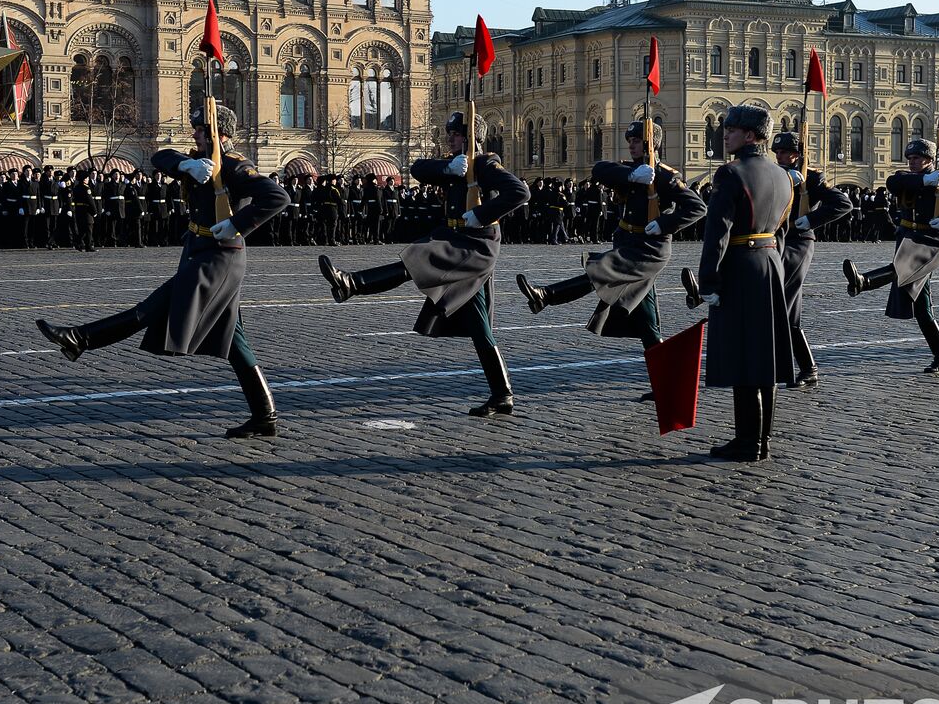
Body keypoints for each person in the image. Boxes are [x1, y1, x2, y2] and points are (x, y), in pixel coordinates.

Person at [35, 103, 290, 437]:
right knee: (235, 341)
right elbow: (160, 157)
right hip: (200, 251)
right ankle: (265, 417)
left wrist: (236, 224)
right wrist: (187, 164)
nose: (194, 134)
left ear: (218, 133)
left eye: (200, 130)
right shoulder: (201, 163)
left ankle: (81, 337)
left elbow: (277, 197)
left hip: (220, 257)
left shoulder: (235, 166)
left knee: (153, 308)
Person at [317, 111, 530, 416]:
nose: (451, 138)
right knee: (480, 326)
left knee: (417, 259)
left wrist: (481, 214)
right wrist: (450, 167)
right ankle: (503, 395)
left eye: (457, 134)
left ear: (472, 137)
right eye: (450, 134)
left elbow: (520, 192)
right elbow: (419, 169)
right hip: (456, 238)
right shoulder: (457, 163)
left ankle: (353, 283)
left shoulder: (485, 163)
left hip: (475, 244)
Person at [516, 120, 705, 397]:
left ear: (652, 143)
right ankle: (669, 385)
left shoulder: (665, 176)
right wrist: (632, 177)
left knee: (603, 269)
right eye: (629, 140)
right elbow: (599, 169)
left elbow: (697, 207)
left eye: (637, 140)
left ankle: (547, 295)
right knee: (647, 323)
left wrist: (665, 224)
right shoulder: (632, 170)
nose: (631, 144)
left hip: (648, 250)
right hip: (629, 243)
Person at [691, 105, 795, 462]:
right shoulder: (784, 176)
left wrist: (708, 280)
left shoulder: (731, 173)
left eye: (731, 129)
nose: (726, 134)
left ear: (750, 136)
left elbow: (716, 233)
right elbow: (781, 228)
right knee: (764, 356)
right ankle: (761, 440)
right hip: (770, 264)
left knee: (743, 356)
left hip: (739, 265)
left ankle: (747, 442)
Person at [843, 138, 939, 373]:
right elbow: (892, 182)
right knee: (921, 304)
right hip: (909, 239)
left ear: (929, 159)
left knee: (905, 268)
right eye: (910, 158)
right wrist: (923, 180)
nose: (912, 162)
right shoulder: (906, 179)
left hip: (932, 242)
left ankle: (865, 281)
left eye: (917, 158)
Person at [763, 130, 850, 386]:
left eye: (785, 153)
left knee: (780, 300)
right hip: (774, 240)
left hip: (798, 243)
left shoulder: (812, 178)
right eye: (777, 152)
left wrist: (810, 219)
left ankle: (777, 366)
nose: (780, 156)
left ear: (797, 154)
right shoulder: (772, 174)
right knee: (788, 310)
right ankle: (808, 368)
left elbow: (841, 204)